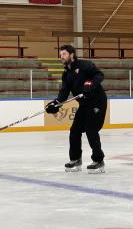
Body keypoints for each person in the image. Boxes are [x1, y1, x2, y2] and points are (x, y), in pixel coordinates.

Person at [45, 44, 107, 173]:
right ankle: (75, 159)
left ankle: (98, 161)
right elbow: (63, 93)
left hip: (97, 102)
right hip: (84, 104)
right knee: (74, 131)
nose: (61, 56)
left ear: (72, 54)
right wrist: (55, 104)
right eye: (60, 54)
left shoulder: (85, 65)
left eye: (64, 54)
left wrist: (90, 84)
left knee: (91, 130)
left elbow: (99, 75)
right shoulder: (66, 74)